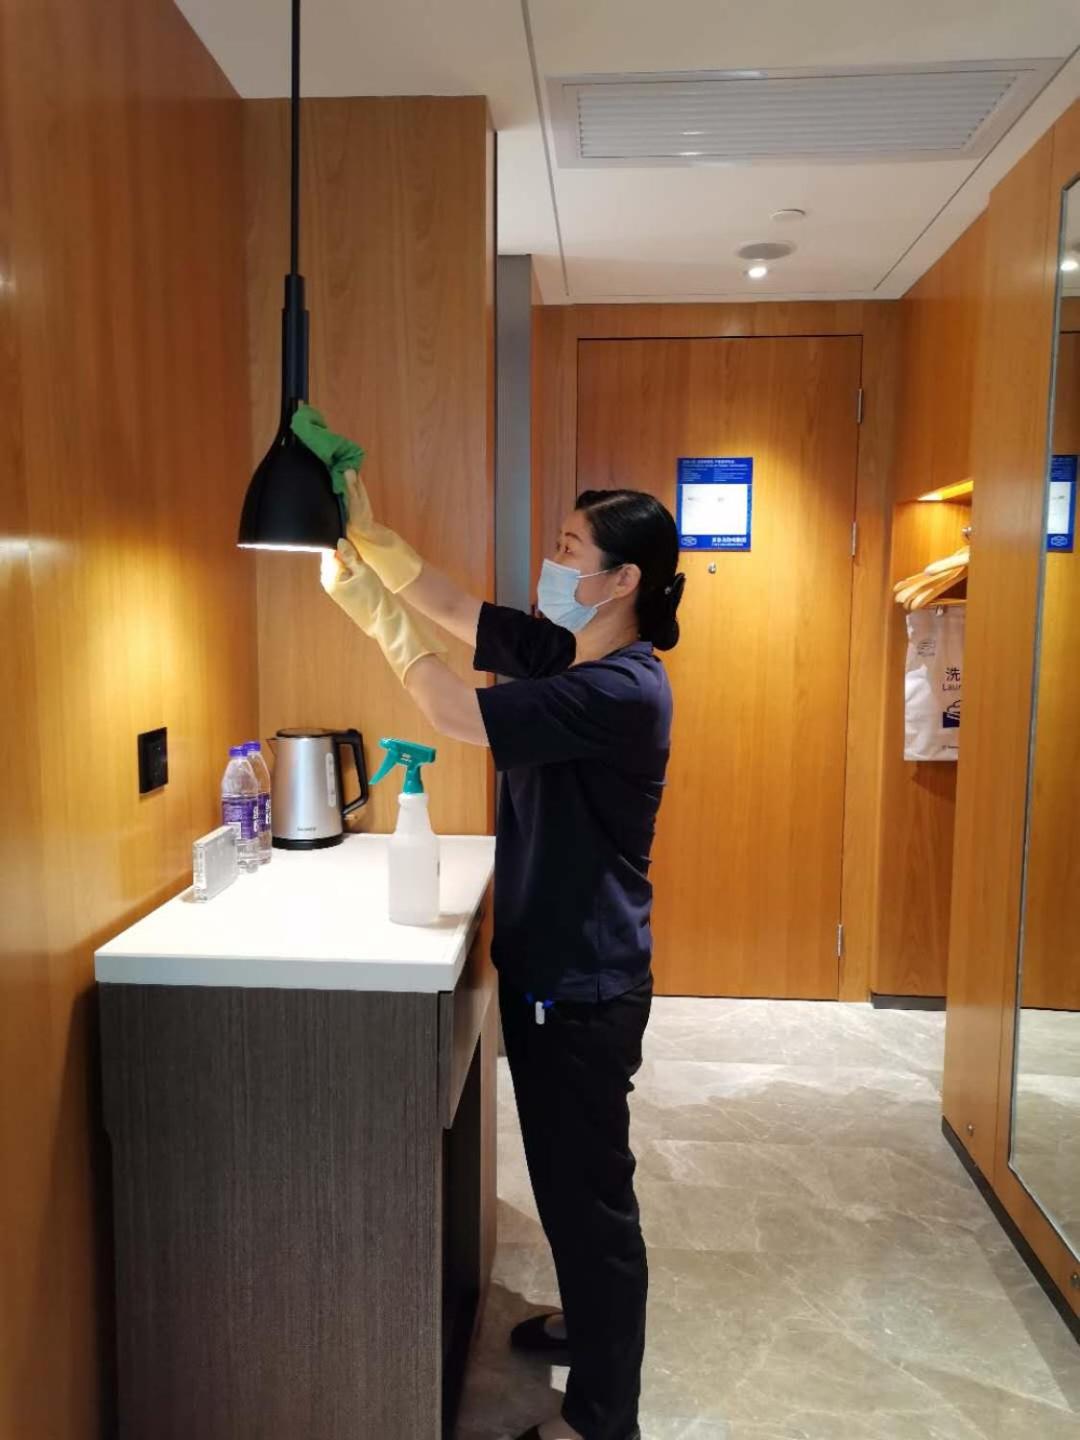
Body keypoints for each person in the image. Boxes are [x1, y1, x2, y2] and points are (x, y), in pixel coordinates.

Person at [294, 409, 685, 1440]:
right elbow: (457, 609)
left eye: (568, 550)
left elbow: (457, 712)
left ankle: (602, 1416)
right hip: (558, 967)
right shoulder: (568, 649)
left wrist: (376, 622)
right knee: (566, 1180)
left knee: (590, 1195)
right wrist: (371, 540)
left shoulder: (618, 689)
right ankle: (588, 1325)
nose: (552, 563)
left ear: (622, 580)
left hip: (583, 984)